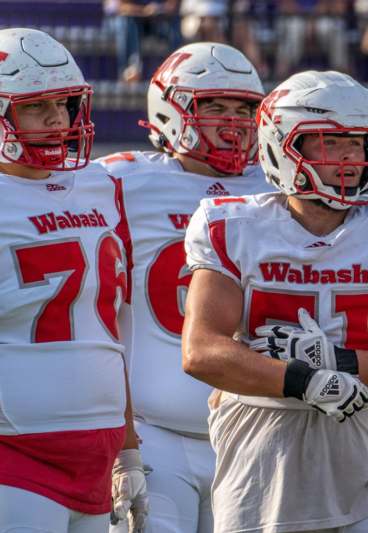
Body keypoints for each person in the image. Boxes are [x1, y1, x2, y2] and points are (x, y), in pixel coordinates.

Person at [181, 70, 368, 533]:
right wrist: (304, 380)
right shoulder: (232, 224)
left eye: (359, 143)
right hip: (263, 453)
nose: (349, 156)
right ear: (282, 145)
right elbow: (201, 351)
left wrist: (336, 361)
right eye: (329, 142)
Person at [98, 42, 269, 533]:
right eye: (213, 105)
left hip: (252, 429)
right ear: (169, 109)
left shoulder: (278, 189)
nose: (232, 121)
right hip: (154, 435)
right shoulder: (119, 182)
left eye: (244, 108)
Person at [0, 28, 146, 533]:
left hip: (98, 453)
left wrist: (127, 451)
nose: (57, 119)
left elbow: (110, 330)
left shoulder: (100, 186)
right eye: (36, 106)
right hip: (16, 453)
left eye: (63, 104)